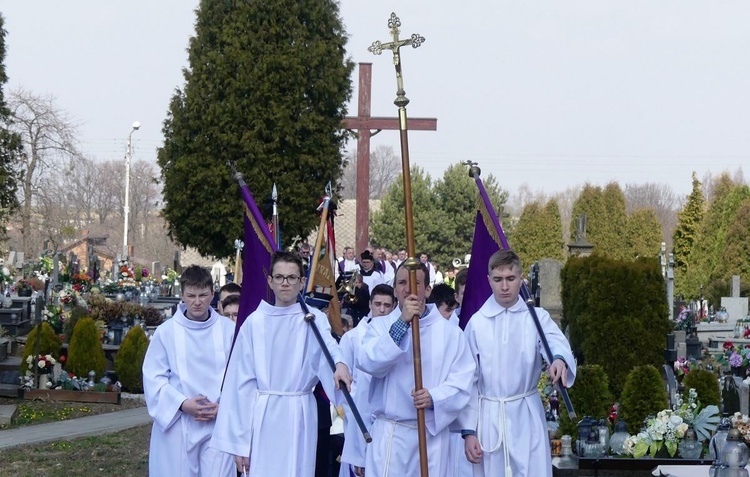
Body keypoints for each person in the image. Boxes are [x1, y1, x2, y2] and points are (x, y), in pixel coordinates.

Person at [210, 251, 353, 476]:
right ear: (270, 281)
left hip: (300, 414)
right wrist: (240, 444)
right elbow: (240, 387)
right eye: (279, 277)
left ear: (302, 281)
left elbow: (330, 349)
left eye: (292, 277)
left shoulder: (313, 320)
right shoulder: (254, 323)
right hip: (263, 416)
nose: (285, 283)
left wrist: (341, 363)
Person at [459, 249, 576, 477]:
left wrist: (559, 360)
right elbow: (467, 380)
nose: (504, 287)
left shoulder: (535, 318)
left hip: (526, 416)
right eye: (498, 280)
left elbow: (555, 343)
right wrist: (469, 432)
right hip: (489, 417)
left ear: (520, 279)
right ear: (489, 281)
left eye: (511, 279)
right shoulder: (477, 324)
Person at [358, 262, 476, 476]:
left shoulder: (450, 333)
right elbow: (368, 362)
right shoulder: (380, 326)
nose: (408, 289)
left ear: (428, 290)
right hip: (391, 438)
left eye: (416, 283)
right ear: (394, 289)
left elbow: (463, 381)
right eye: (402, 282)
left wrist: (434, 398)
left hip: (430, 439)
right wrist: (402, 324)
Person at [142, 265, 236, 477]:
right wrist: (183, 404)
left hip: (217, 423)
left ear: (213, 294)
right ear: (182, 295)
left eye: (203, 295)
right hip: (178, 424)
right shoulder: (166, 332)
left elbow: (239, 377)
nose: (197, 302)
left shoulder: (227, 330)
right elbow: (153, 378)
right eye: (191, 295)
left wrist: (224, 406)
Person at [338, 284, 397, 477]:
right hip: (358, 411)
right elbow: (345, 381)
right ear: (370, 304)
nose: (382, 309)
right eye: (378, 304)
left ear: (394, 306)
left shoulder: (399, 335)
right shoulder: (352, 337)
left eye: (387, 305)